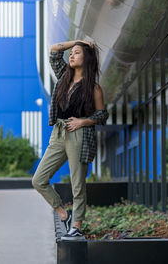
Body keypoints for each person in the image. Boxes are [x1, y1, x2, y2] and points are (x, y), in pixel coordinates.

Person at [32, 40, 109, 240]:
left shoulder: (93, 88)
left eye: (76, 53)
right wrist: (77, 42)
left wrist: (83, 122)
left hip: (80, 135)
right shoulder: (64, 77)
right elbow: (54, 51)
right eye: (71, 53)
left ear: (86, 59)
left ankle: (77, 226)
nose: (71, 56)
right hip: (59, 132)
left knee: (77, 184)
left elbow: (102, 115)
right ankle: (63, 214)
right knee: (38, 179)